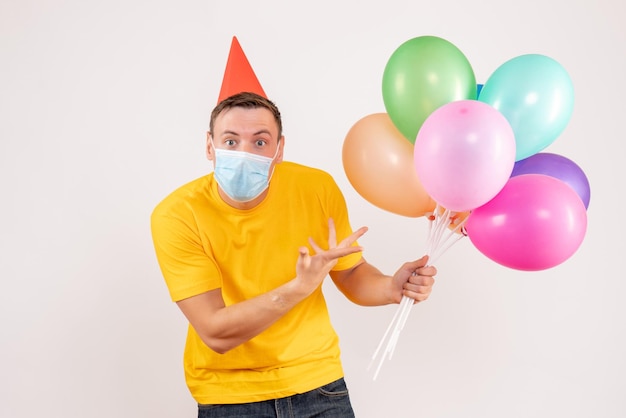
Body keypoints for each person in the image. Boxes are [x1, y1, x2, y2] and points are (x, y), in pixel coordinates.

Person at [150, 91, 437, 417]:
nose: (245, 152)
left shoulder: (316, 189)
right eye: (231, 141)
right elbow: (215, 332)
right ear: (209, 146)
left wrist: (390, 287)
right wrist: (298, 288)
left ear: (279, 149)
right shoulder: (177, 215)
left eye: (260, 142)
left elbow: (351, 273)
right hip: (230, 397)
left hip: (319, 386)